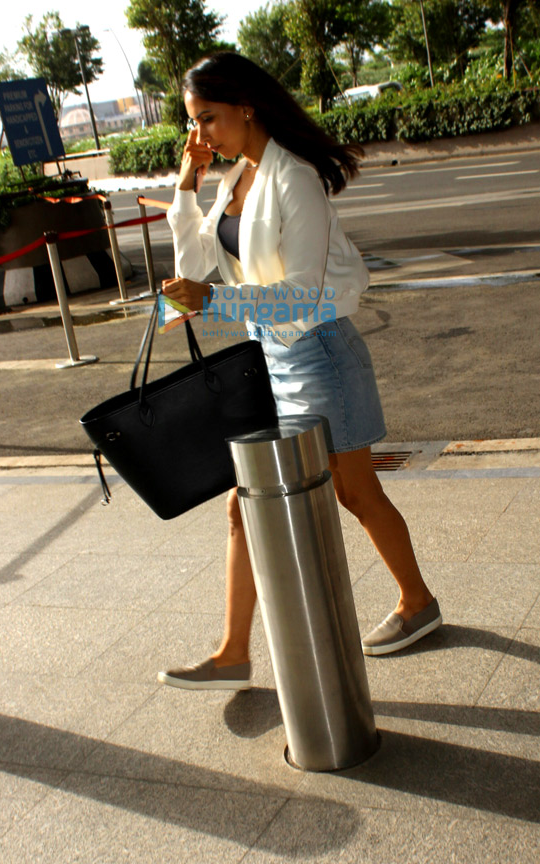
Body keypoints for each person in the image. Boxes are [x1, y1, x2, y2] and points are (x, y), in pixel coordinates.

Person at [158, 52, 441, 690]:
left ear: (245, 105)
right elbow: (196, 264)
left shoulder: (294, 177)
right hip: (269, 356)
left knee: (353, 492)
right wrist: (186, 185)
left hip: (319, 352)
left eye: (208, 119)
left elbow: (305, 292)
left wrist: (215, 301)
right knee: (244, 502)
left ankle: (417, 603)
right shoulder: (234, 178)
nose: (200, 135)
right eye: (193, 124)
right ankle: (233, 652)